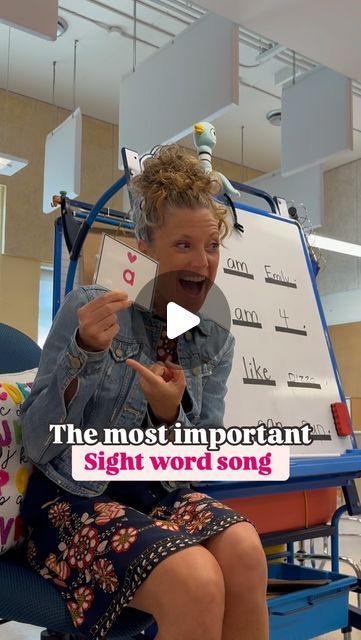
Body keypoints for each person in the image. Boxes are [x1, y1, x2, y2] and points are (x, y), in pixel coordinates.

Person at [20, 145, 268, 640]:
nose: (202, 261)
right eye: (183, 246)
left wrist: (169, 418)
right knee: (195, 580)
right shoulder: (90, 309)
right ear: (145, 246)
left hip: (156, 496)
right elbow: (37, 444)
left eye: (213, 245)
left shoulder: (214, 338)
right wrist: (84, 355)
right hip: (72, 498)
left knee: (244, 550)